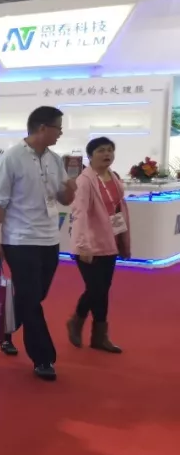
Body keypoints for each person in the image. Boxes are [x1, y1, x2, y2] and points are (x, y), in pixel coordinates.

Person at [0, 106, 77, 381]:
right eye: (58, 128)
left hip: (49, 238)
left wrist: (71, 189)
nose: (60, 133)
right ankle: (43, 357)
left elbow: (64, 200)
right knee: (30, 296)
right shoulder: (12, 158)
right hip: (19, 238)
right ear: (42, 128)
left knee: (35, 295)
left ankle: (7, 328)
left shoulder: (55, 159)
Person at [67, 137, 128, 354]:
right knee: (96, 289)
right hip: (88, 244)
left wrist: (123, 239)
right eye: (101, 150)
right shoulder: (84, 181)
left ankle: (99, 337)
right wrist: (83, 245)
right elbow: (80, 213)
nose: (107, 154)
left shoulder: (114, 177)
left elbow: (118, 209)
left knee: (103, 290)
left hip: (109, 241)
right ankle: (76, 320)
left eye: (110, 150)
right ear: (90, 155)